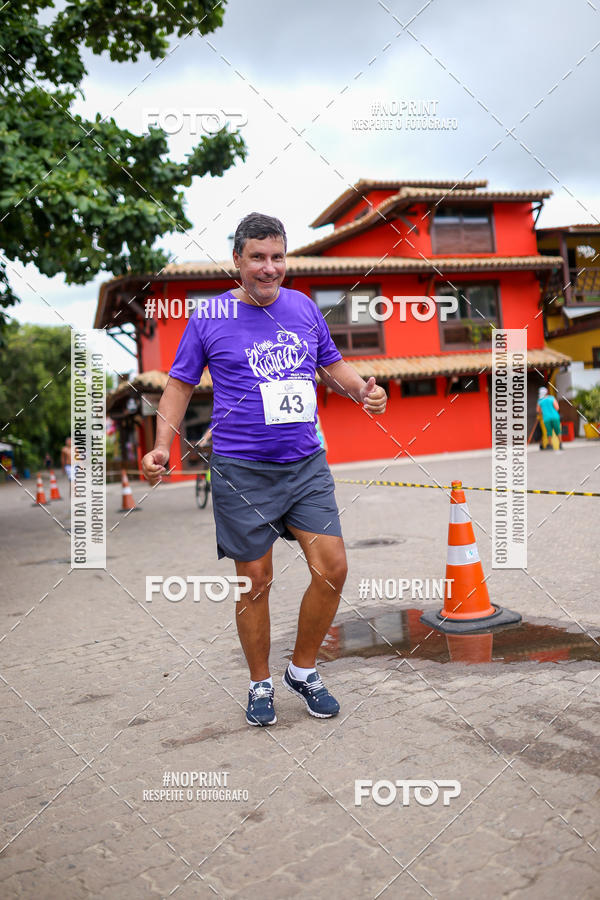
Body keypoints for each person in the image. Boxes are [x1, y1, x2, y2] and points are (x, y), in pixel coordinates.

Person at [142, 212, 387, 727]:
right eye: (258, 257)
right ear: (237, 260)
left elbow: (331, 362)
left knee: (333, 567)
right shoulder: (209, 317)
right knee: (254, 581)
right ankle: (259, 683)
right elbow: (179, 386)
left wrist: (364, 389)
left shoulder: (302, 308)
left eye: (277, 257)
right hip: (240, 469)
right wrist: (163, 446)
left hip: (305, 463)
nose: (269, 268)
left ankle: (302, 669)